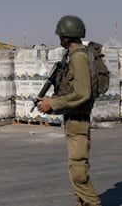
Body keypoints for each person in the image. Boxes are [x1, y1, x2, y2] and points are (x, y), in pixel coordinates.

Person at [37, 15, 102, 206]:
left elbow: (82, 93)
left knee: (79, 171)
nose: (59, 38)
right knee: (76, 167)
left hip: (78, 121)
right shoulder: (74, 55)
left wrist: (53, 104)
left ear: (66, 36)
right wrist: (51, 102)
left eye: (61, 35)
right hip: (73, 119)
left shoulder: (78, 57)